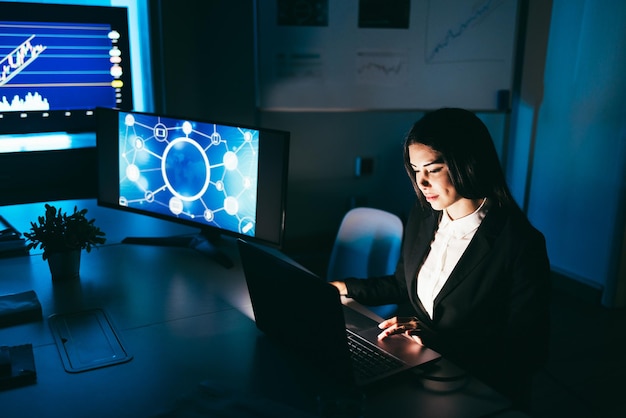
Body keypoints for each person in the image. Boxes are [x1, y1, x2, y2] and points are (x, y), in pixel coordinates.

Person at [330, 108, 550, 411]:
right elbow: (401, 283)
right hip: (425, 367)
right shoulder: (424, 214)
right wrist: (342, 288)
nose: (421, 182)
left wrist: (438, 340)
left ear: (466, 164)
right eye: (415, 169)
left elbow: (527, 351)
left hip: (477, 385)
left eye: (432, 169)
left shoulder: (519, 244)